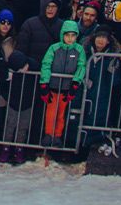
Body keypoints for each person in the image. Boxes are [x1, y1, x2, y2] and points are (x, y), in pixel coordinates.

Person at [38, 19, 89, 154]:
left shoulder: (79, 50)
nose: (70, 38)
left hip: (67, 89)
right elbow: (46, 64)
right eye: (67, 35)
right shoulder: (54, 48)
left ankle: (57, 136)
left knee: (61, 114)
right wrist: (44, 83)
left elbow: (81, 66)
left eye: (73, 35)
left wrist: (75, 83)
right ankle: (48, 134)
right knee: (51, 112)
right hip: (53, 87)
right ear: (62, 35)